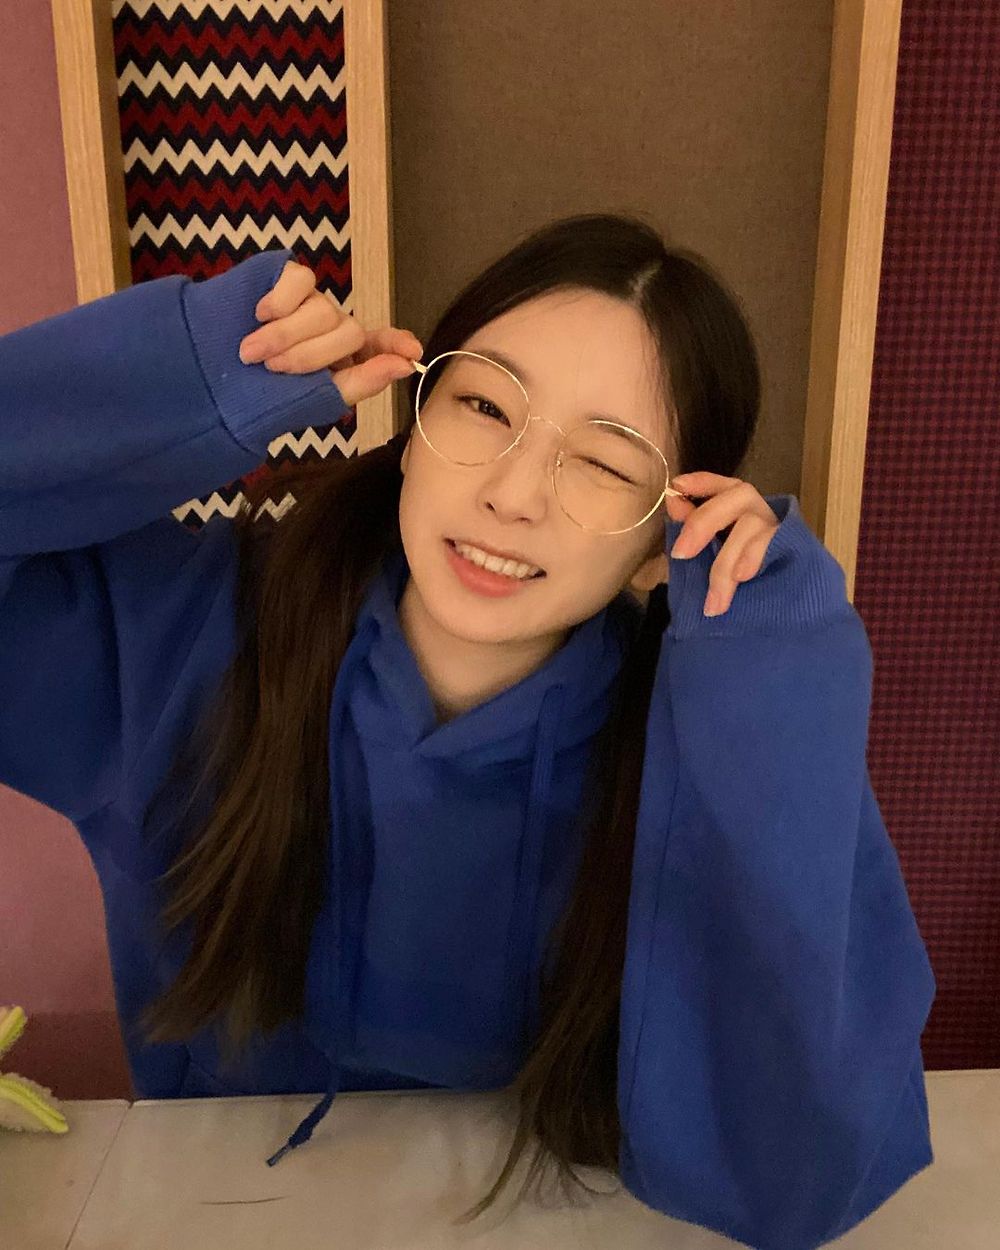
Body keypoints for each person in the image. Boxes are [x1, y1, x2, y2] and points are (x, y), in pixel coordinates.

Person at [0, 212, 935, 1249]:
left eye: (604, 463)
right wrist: (181, 375)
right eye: (485, 406)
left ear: (660, 540)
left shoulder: (687, 740)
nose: (512, 495)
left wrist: (775, 670)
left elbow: (792, 1179)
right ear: (413, 427)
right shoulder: (186, 632)